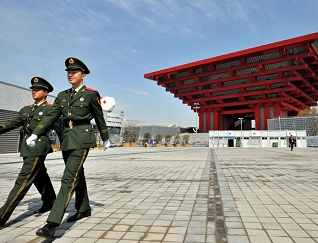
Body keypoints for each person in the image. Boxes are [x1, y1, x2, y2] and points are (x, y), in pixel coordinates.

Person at [26, 57, 110, 238]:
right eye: (68, 72)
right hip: (67, 139)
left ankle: (52, 223)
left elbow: (99, 116)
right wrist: (36, 133)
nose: (70, 74)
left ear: (83, 75)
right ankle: (84, 208)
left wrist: (105, 137)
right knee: (77, 174)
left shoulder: (90, 94)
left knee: (68, 177)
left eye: (74, 72)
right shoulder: (63, 96)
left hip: (82, 139)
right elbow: (50, 116)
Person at [0, 77, 56, 227]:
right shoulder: (26, 110)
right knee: (39, 175)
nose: (34, 91)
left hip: (38, 146)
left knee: (23, 180)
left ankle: (2, 215)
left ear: (46, 92)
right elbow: (12, 123)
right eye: (33, 89)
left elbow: (61, 128)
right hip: (27, 147)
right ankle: (50, 201)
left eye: (37, 89)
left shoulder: (50, 109)